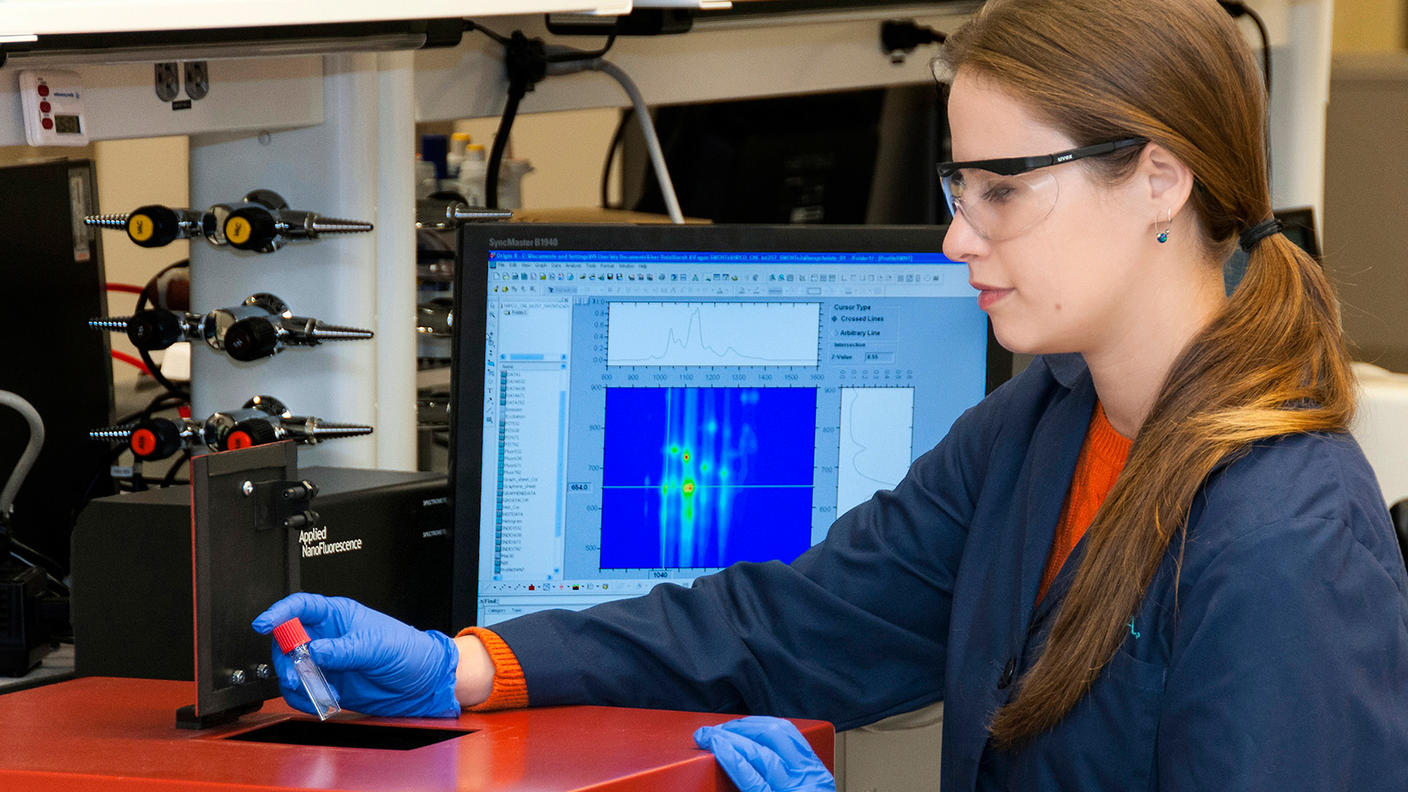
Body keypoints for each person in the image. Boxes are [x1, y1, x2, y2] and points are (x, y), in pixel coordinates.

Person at [254, 0, 1408, 788]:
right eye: (957, 185)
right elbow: (789, 625)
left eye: (1003, 190)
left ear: (1159, 176)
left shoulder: (1283, 532)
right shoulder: (1041, 425)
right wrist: (463, 665)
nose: (958, 236)